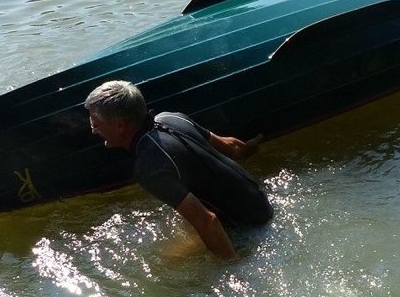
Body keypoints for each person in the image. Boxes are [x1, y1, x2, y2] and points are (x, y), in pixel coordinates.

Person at [84, 80, 272, 260]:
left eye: (96, 125)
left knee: (166, 259)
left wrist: (235, 269)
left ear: (119, 125)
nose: (93, 131)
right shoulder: (171, 118)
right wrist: (251, 147)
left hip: (250, 228)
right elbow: (233, 148)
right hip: (261, 199)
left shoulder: (148, 168)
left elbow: (208, 221)